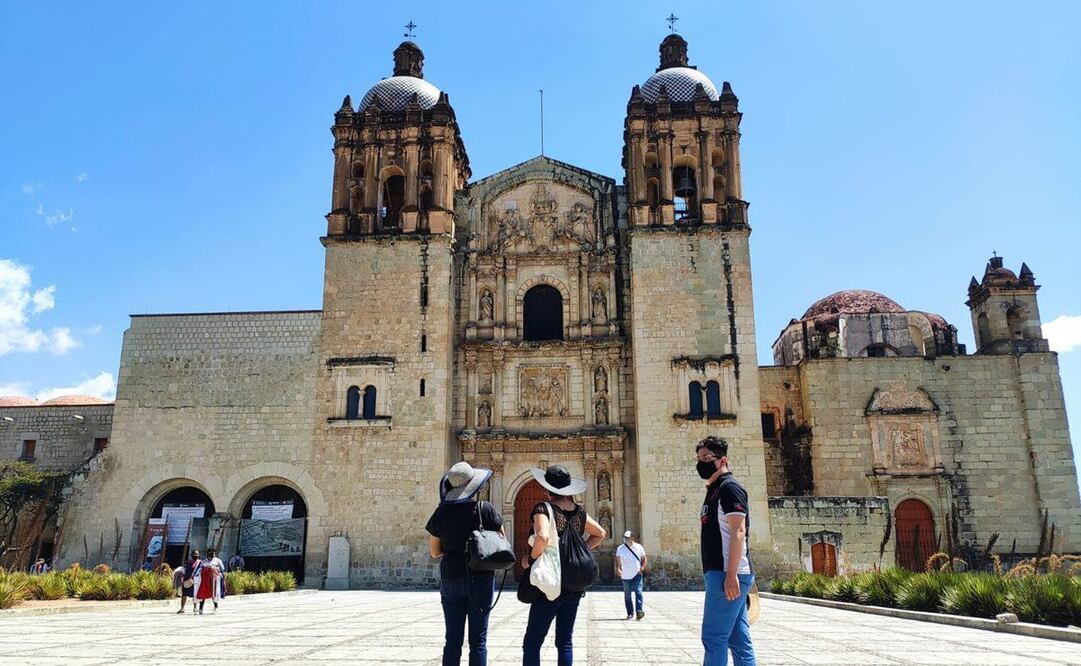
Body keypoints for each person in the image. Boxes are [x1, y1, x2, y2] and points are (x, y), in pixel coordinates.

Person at [521, 465, 606, 666]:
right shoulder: (578, 511)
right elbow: (600, 533)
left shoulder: (543, 508)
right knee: (565, 641)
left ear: (546, 488)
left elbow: (542, 536)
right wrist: (580, 551)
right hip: (573, 586)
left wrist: (531, 560)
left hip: (550, 584)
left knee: (532, 642)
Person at [426, 461, 504, 666]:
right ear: (473, 486)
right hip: (480, 578)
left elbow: (434, 552)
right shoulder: (484, 509)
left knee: (452, 641)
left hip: (451, 578)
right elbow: (501, 541)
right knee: (478, 641)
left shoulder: (440, 513)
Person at [696, 436, 756, 666]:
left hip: (726, 574)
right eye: (699, 458)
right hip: (724, 573)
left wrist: (731, 575)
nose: (701, 462)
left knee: (713, 637)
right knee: (737, 638)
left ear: (722, 460)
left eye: (706, 458)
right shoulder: (714, 490)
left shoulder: (729, 488)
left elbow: (738, 531)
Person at [615, 530, 647, 620]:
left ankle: (639, 611)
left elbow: (644, 559)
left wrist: (642, 569)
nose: (626, 539)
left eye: (627, 538)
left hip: (637, 573)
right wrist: (618, 569)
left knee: (638, 592)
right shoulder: (620, 548)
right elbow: (618, 561)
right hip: (625, 575)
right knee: (627, 595)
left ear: (632, 538)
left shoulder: (639, 547)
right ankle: (630, 613)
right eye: (624, 538)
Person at [193, 549, 222, 615]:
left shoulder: (218, 561)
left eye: (213, 553)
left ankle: (216, 607)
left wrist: (216, 569)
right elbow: (199, 570)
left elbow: (222, 569)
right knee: (203, 592)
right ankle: (200, 609)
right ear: (208, 553)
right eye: (211, 553)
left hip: (213, 580)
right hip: (204, 580)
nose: (212, 555)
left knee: (214, 593)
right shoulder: (203, 562)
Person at [176, 550, 201, 614]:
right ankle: (182, 609)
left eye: (197, 555)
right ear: (191, 555)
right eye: (194, 555)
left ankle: (195, 608)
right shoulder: (188, 562)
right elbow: (184, 570)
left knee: (195, 595)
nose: (195, 556)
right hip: (187, 580)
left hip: (195, 581)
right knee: (184, 595)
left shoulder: (200, 563)